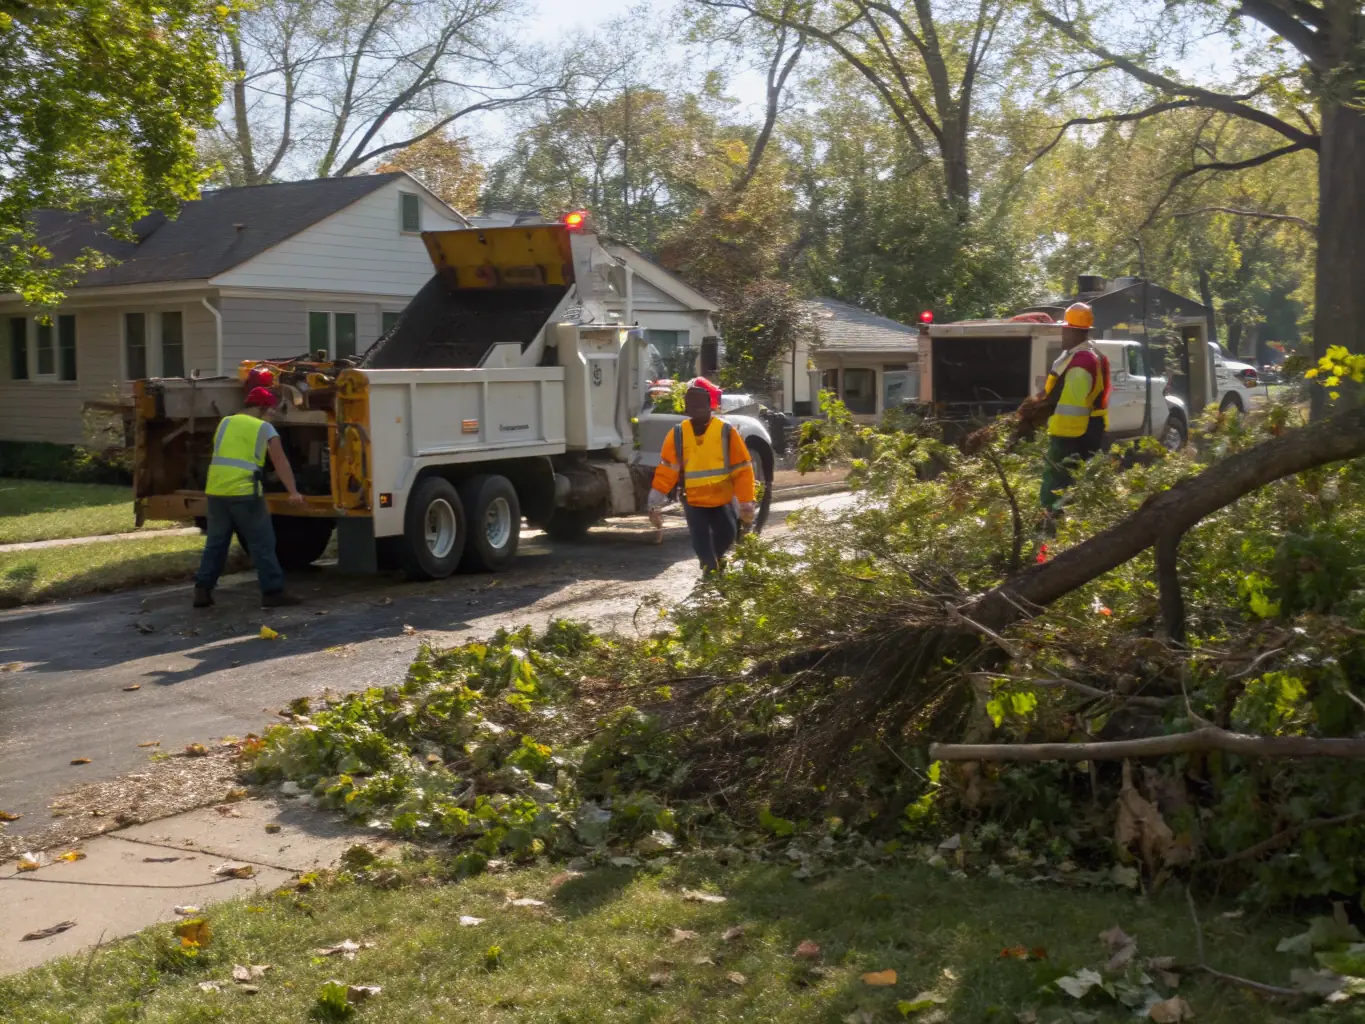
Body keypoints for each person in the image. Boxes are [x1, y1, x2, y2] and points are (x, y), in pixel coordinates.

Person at [193, 386, 306, 608]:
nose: (273, 414)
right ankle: (272, 592)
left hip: (216, 491)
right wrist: (293, 492)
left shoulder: (225, 423)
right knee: (262, 544)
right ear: (264, 408)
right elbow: (280, 462)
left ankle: (202, 591)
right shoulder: (265, 428)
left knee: (215, 544)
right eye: (272, 409)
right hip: (245, 493)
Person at [648, 378, 757, 573]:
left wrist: (746, 501)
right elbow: (667, 470)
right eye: (691, 404)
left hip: (721, 500)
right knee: (701, 543)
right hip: (693, 501)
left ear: (710, 406)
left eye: (700, 404)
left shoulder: (726, 431)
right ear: (686, 408)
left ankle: (717, 562)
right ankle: (710, 573)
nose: (696, 408)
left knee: (728, 535)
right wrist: (655, 501)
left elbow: (742, 469)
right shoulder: (678, 434)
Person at [1037, 302, 1110, 512]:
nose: (1062, 335)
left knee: (1057, 483)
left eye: (1064, 331)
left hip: (1071, 432)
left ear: (1073, 332)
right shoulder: (1081, 355)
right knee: (1074, 481)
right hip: (1082, 429)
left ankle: (1050, 526)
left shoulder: (1081, 363)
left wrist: (1049, 420)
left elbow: (1071, 401)